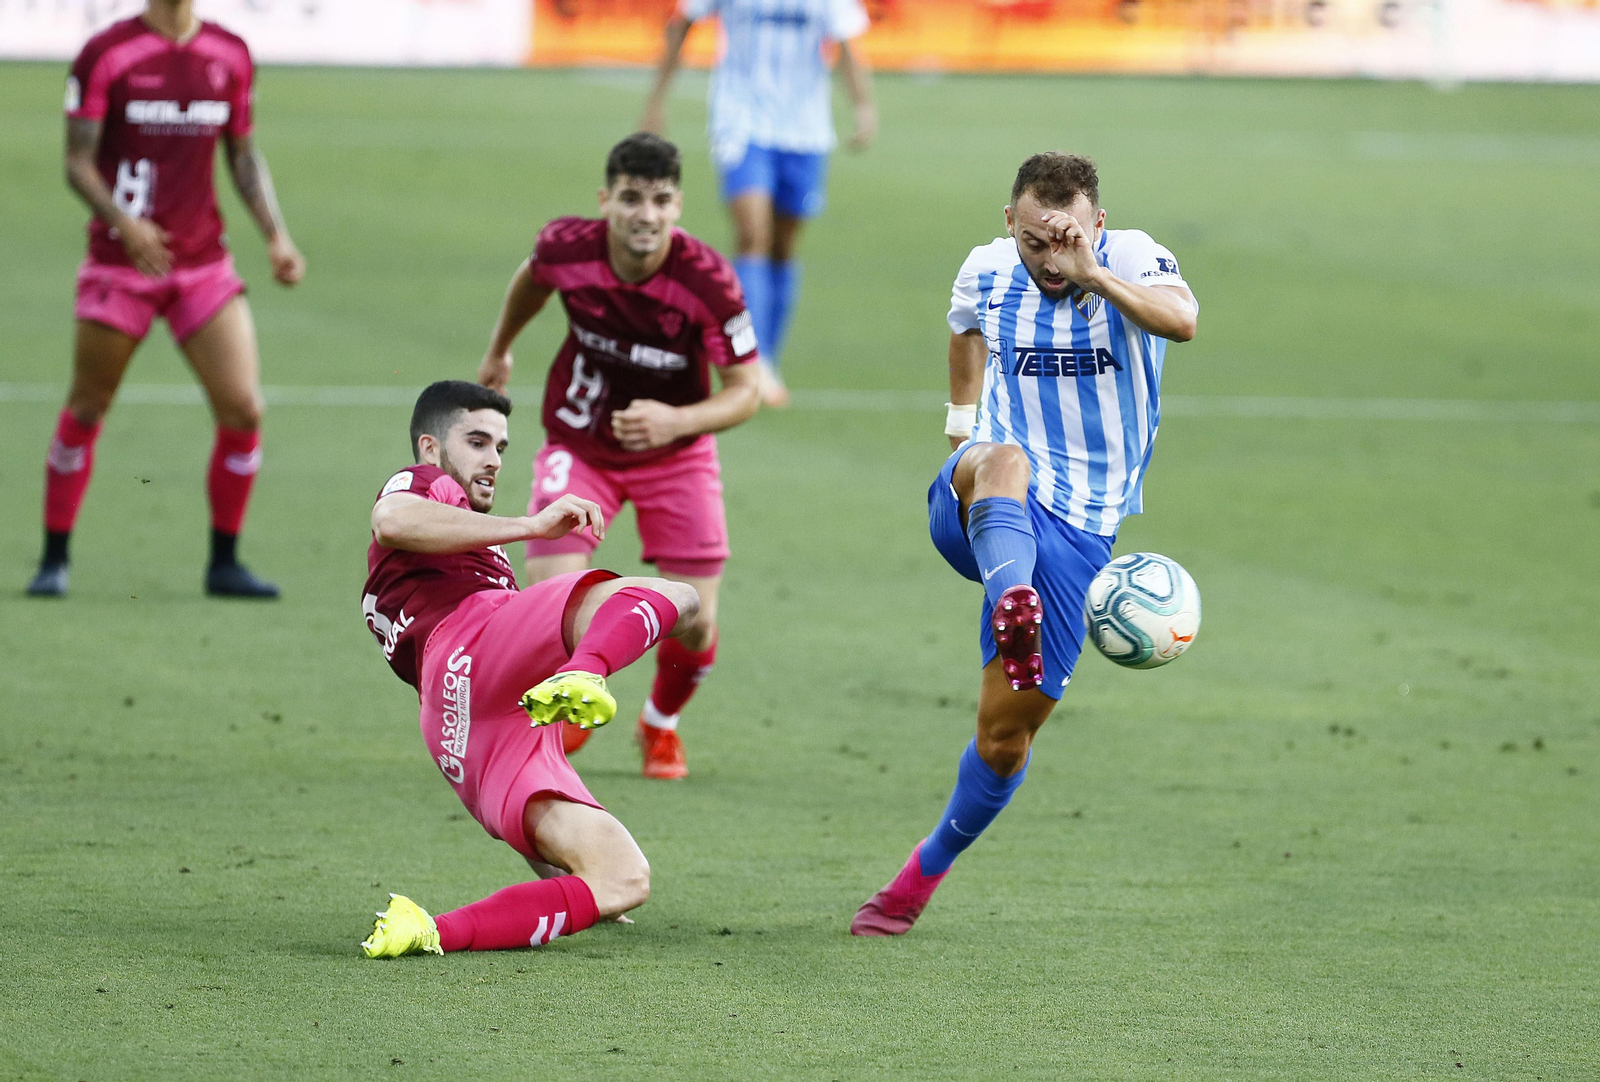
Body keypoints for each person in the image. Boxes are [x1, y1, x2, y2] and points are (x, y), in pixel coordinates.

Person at [850, 153, 1200, 936]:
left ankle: (915, 879)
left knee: (1004, 740)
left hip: (1079, 534)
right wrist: (959, 416)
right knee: (1006, 459)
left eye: (1065, 239)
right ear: (1009, 223)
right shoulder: (985, 269)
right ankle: (1014, 595)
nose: (1048, 259)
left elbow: (1182, 322)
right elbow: (965, 328)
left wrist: (1092, 274)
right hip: (983, 499)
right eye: (1034, 242)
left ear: (1097, 224)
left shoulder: (1133, 258)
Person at [359, 380, 702, 958]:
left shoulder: (464, 537)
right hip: (474, 638)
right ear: (429, 448)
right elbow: (390, 519)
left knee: (621, 878)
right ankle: (588, 670)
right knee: (680, 597)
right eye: (477, 440)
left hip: (458, 719)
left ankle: (428, 929)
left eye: (501, 446)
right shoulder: (426, 483)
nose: (493, 459)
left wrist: (557, 873)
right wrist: (533, 526)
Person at [478, 133, 760, 781]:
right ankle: (569, 705)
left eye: (660, 201)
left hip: (677, 455)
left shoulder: (710, 283)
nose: (645, 215)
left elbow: (745, 394)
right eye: (631, 198)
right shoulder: (565, 247)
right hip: (581, 441)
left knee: (696, 619)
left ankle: (660, 724)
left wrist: (676, 420)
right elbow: (533, 278)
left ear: (678, 206)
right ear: (606, 200)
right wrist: (501, 348)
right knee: (552, 600)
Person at [28, 0, 305, 599]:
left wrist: (275, 235)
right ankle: (54, 558)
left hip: (202, 264)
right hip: (119, 266)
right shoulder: (107, 54)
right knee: (86, 407)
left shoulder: (229, 54)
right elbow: (77, 161)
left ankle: (224, 563)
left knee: (244, 410)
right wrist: (123, 223)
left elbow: (242, 152)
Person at [640, 0, 876, 407]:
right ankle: (753, 360)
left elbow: (848, 42)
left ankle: (768, 353)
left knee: (782, 246)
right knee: (752, 235)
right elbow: (683, 22)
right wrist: (657, 99)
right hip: (741, 120)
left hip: (805, 129)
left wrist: (863, 106)